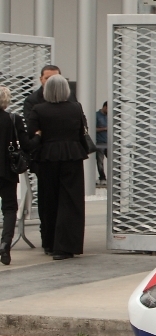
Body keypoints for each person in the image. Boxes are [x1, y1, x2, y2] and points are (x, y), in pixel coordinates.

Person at [28, 75, 89, 260]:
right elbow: (81, 131)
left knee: (49, 200)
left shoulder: (38, 109)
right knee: (71, 201)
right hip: (72, 154)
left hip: (47, 156)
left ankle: (49, 242)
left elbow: (33, 134)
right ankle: (66, 246)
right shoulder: (75, 108)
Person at [24, 65, 67, 253]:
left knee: (64, 199)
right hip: (44, 157)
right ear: (41, 79)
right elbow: (32, 130)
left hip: (65, 156)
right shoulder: (33, 101)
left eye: (55, 78)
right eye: (47, 78)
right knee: (47, 199)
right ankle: (47, 238)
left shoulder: (68, 99)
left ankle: (62, 238)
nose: (51, 82)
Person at [0, 87, 30, 265]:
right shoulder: (13, 119)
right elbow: (25, 144)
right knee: (10, 208)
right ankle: (5, 244)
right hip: (7, 171)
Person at [95, 101, 108, 183]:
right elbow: (93, 128)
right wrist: (104, 129)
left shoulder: (109, 116)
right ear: (105, 107)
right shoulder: (96, 116)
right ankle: (102, 178)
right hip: (100, 142)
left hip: (108, 142)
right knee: (100, 161)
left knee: (112, 159)